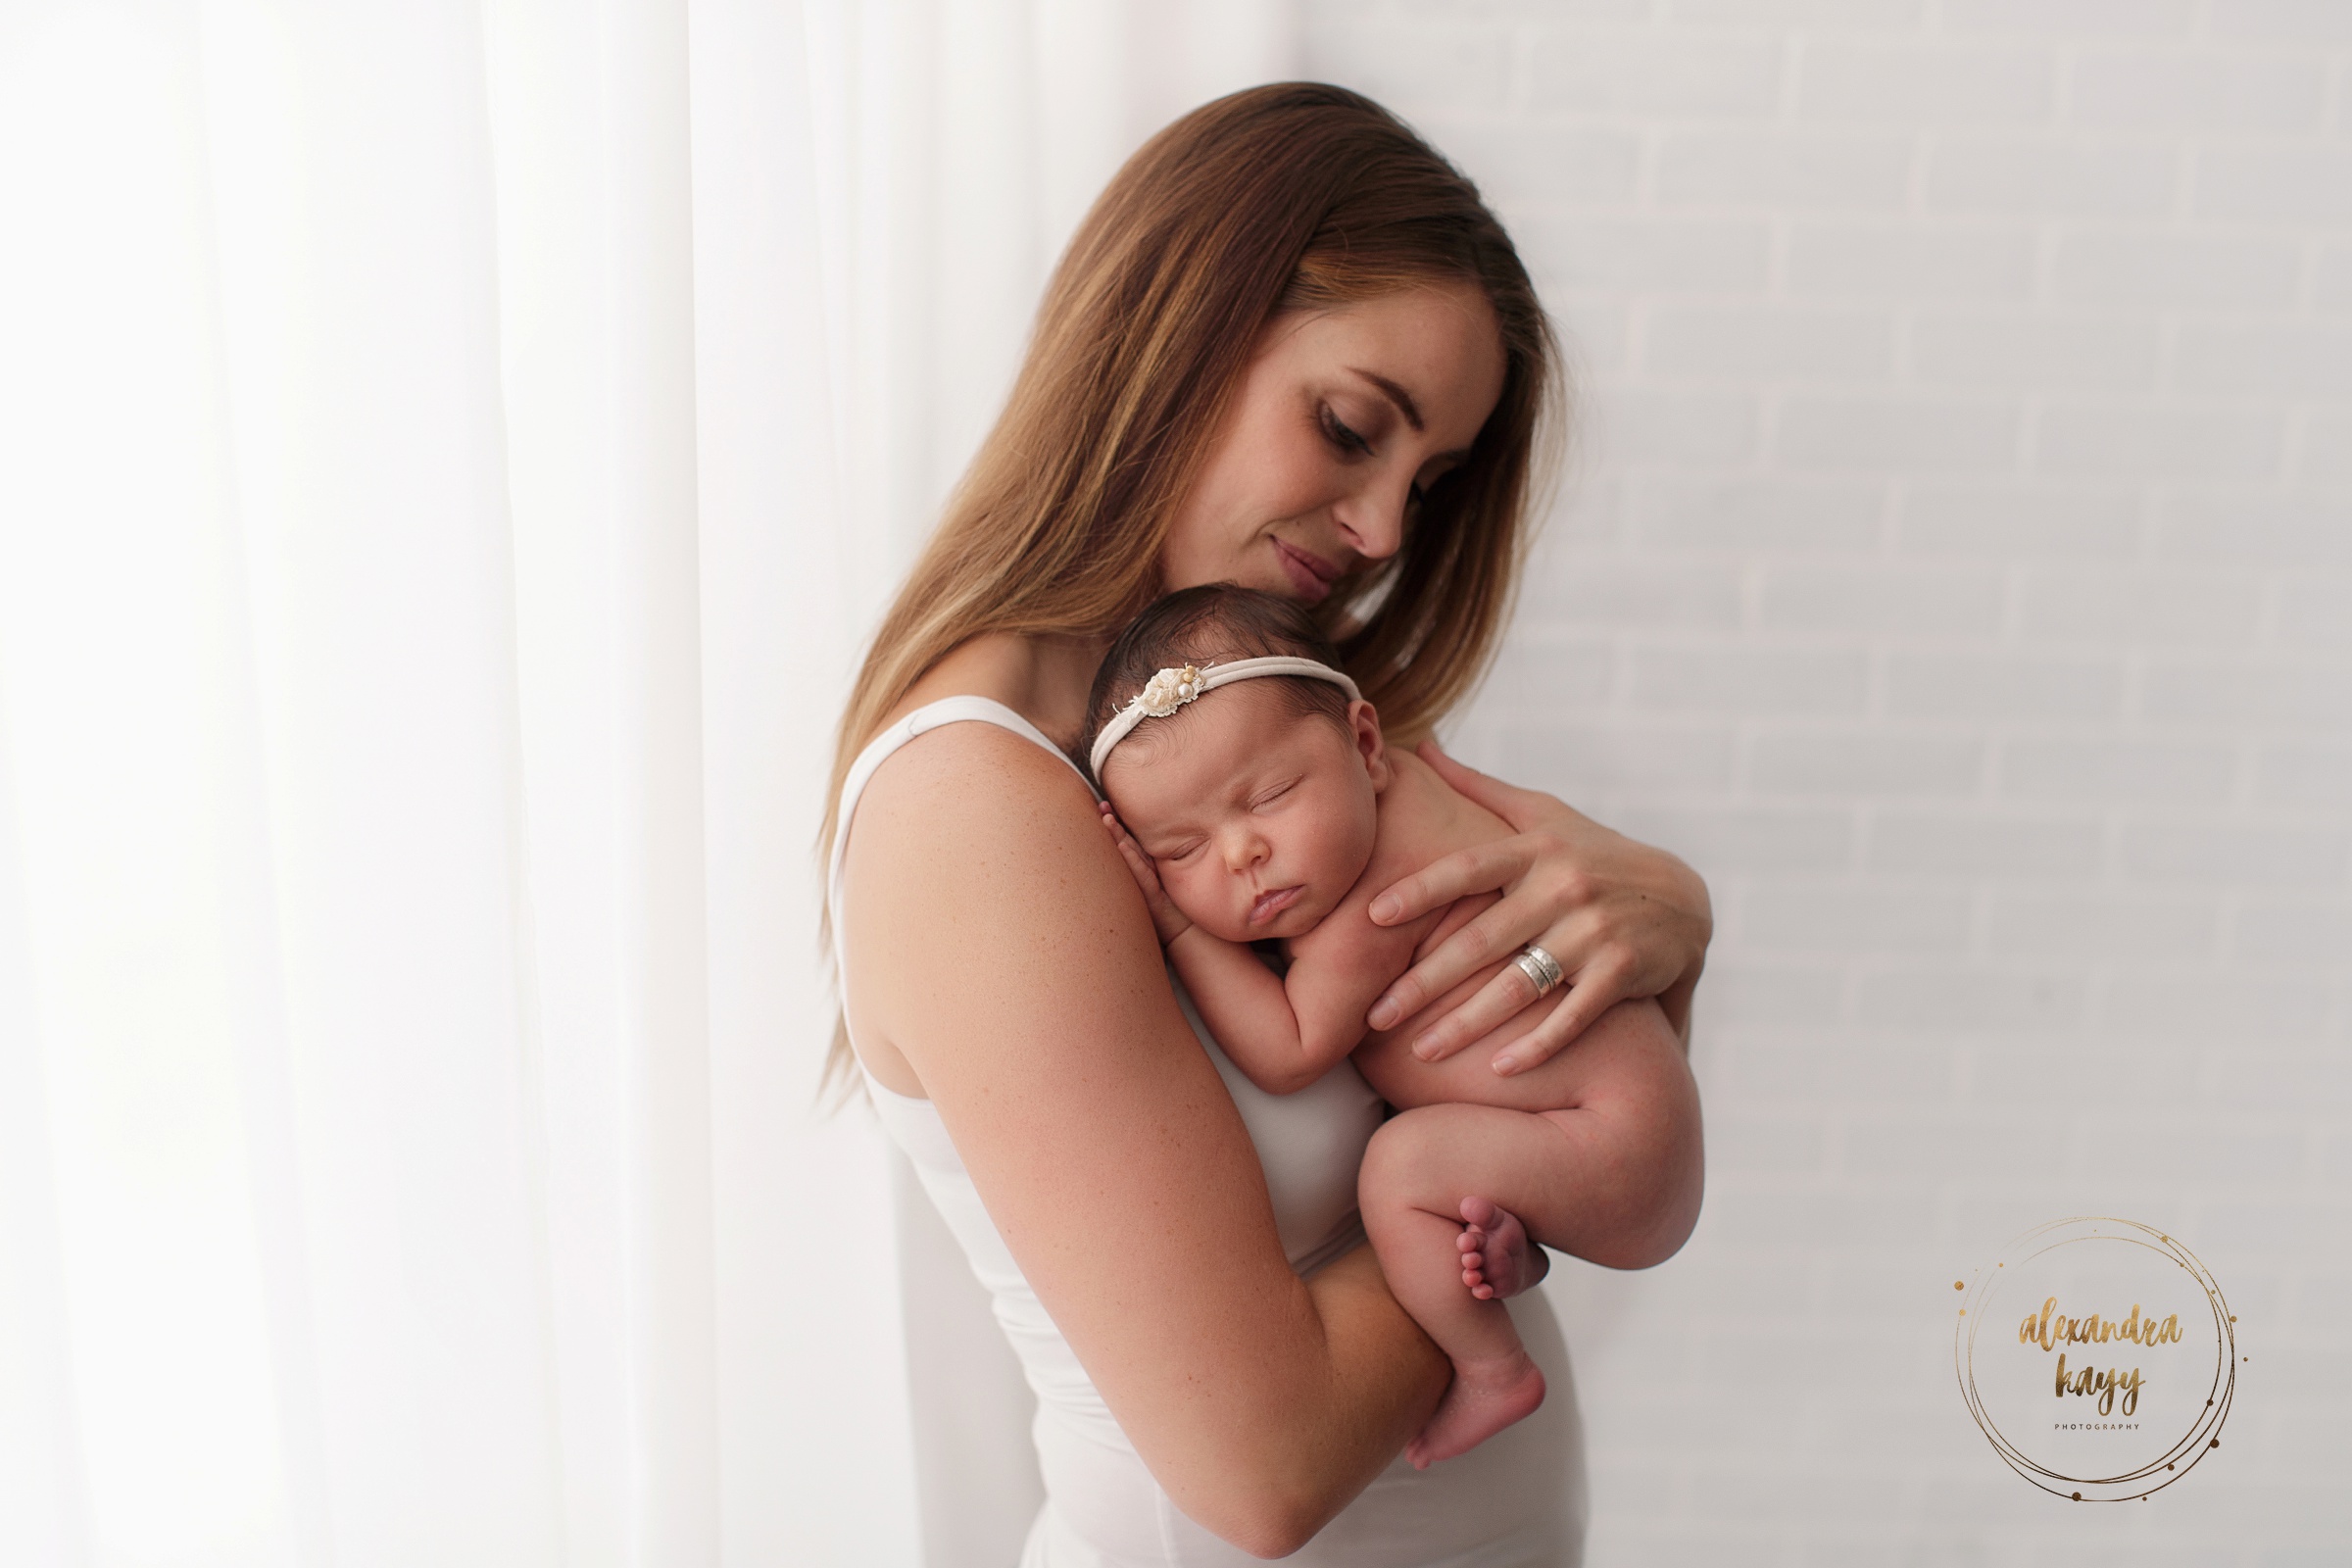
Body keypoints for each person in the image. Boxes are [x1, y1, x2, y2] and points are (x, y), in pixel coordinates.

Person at [825, 83, 1712, 1565]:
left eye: (1423, 483)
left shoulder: (1250, 744)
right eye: (1352, 428)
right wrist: (1526, 1180)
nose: (1383, 534)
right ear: (1176, 329)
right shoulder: (974, 812)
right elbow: (1262, 1467)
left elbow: (1518, 1059)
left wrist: (1667, 920)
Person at [1083, 585, 1703, 1474]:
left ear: (1363, 744)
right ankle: (1510, 1256)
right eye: (1179, 851)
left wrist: (1180, 925)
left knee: (1401, 1168)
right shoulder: (1392, 798)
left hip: (1617, 1142)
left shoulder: (1377, 900)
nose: (1239, 855)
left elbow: (1290, 1049)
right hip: (1617, 1124)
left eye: (1271, 794)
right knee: (1438, 1172)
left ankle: (1493, 1369)